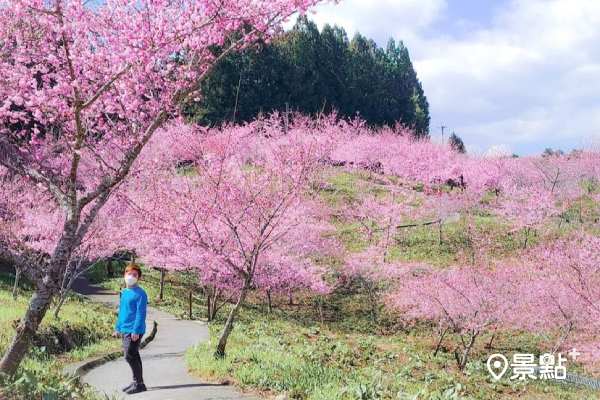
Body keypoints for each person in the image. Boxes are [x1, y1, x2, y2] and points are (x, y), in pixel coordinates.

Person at [114, 264, 148, 395]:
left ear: (138, 278)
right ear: (124, 276)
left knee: (129, 356)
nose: (131, 277)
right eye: (129, 274)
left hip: (134, 330)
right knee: (134, 355)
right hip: (124, 329)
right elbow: (122, 312)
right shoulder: (125, 292)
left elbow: (140, 313)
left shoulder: (140, 294)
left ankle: (139, 384)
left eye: (135, 275)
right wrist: (118, 328)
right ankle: (137, 381)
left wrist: (136, 330)